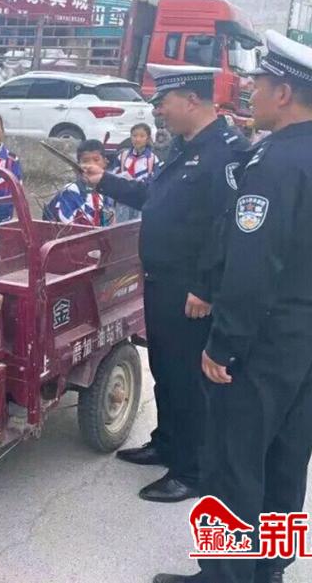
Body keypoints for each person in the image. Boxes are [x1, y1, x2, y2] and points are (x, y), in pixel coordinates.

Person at [154, 32, 312, 583]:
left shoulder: (273, 165)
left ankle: (226, 576)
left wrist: (224, 344)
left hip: (261, 338)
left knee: (232, 460)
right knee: (286, 456)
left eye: (259, 84)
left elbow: (252, 268)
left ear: (284, 93)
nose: (251, 92)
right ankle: (269, 566)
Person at [81, 64, 249, 503]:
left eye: (164, 102)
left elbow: (229, 226)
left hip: (191, 290)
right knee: (166, 370)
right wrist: (105, 182)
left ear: (192, 100)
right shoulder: (182, 147)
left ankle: (192, 470)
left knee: (189, 378)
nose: (158, 110)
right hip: (162, 281)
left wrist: (207, 286)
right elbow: (155, 198)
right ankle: (168, 443)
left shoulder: (225, 152)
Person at [44, 139, 115, 227]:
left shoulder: (106, 192)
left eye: (96, 160)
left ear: (105, 162)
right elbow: (70, 225)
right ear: (78, 166)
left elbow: (109, 221)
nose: (91, 165)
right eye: (85, 161)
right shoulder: (71, 190)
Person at [113, 123, 157, 221]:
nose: (137, 139)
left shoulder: (152, 159)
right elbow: (114, 175)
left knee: (138, 226)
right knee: (122, 226)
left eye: (142, 136)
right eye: (134, 136)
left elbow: (154, 180)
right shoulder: (123, 156)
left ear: (148, 138)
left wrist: (138, 183)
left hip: (141, 199)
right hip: (124, 198)